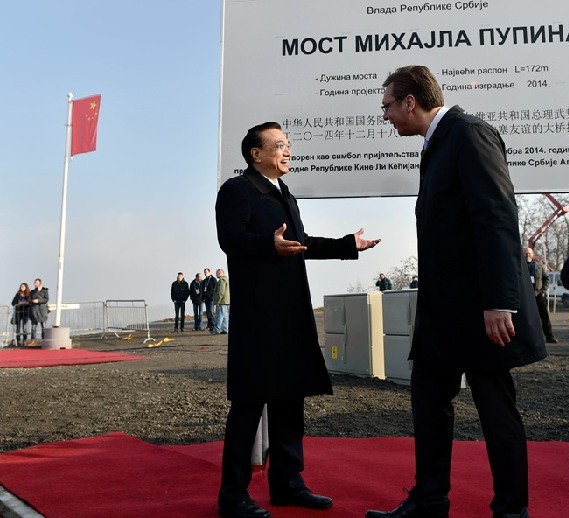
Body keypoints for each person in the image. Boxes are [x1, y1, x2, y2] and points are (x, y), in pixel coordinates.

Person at [366, 66, 546, 518]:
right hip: (443, 310)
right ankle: (430, 502)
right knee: (428, 399)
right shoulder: (437, 144)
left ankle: (511, 511)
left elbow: (496, 218)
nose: (385, 116)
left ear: (410, 102)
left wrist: (499, 301)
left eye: (387, 106)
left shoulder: (469, 134)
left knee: (495, 408)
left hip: (480, 309)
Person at [215, 121, 380, 518]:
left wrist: (348, 244)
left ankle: (288, 484)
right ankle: (233, 496)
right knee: (249, 404)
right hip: (258, 316)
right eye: (279, 145)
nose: (288, 151)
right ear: (256, 154)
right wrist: (267, 244)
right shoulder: (237, 190)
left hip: (291, 313)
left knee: (290, 399)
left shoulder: (284, 192)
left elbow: (301, 244)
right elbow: (229, 239)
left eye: (288, 144)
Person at [525, 247, 558, 344]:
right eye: (525, 253)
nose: (527, 255)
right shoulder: (520, 266)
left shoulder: (539, 266)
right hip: (525, 296)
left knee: (544, 316)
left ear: (533, 254)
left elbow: (546, 278)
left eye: (529, 253)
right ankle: (530, 338)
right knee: (527, 318)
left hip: (538, 294)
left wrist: (543, 290)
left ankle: (549, 336)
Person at [28, 278, 49, 345]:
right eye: (34, 283)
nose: (35, 284)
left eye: (36, 283)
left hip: (42, 311)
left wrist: (38, 301)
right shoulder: (32, 292)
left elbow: (46, 299)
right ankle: (33, 340)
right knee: (33, 327)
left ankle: (44, 340)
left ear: (40, 283)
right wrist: (32, 301)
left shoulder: (45, 290)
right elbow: (29, 299)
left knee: (43, 327)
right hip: (34, 311)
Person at [211, 268, 230, 335]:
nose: (216, 275)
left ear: (220, 273)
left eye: (216, 273)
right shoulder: (226, 280)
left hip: (222, 301)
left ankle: (216, 330)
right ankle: (225, 329)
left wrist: (218, 301)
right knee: (225, 316)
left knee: (219, 316)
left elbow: (221, 292)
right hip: (226, 301)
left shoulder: (222, 281)